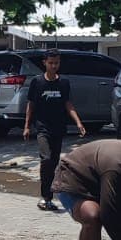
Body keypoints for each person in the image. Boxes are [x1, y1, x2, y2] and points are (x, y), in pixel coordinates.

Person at [23, 51, 86, 210]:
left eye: (56, 63)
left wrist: (78, 122)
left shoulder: (64, 82)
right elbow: (31, 105)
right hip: (42, 128)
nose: (54, 66)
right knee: (46, 159)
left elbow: (68, 104)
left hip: (58, 128)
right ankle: (45, 196)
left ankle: (49, 197)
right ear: (44, 63)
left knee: (53, 162)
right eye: (51, 63)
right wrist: (26, 126)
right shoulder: (37, 82)